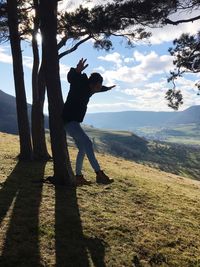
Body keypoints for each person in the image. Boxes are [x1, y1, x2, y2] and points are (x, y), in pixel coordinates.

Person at [62, 58, 116, 186]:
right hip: (69, 121)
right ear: (91, 84)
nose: (98, 89)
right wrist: (76, 70)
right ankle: (99, 174)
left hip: (74, 122)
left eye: (99, 87)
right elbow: (71, 78)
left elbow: (100, 88)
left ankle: (78, 177)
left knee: (82, 148)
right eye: (97, 86)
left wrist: (107, 88)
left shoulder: (93, 89)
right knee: (88, 143)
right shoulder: (80, 83)